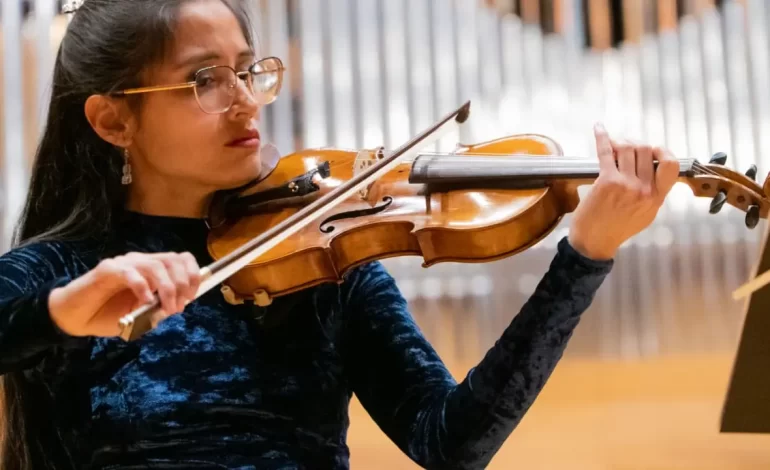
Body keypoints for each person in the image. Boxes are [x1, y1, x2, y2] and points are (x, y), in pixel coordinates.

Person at [0, 0, 680, 468]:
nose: (244, 98)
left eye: (247, 69)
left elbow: (450, 443)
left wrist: (585, 256)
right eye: (204, 79)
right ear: (113, 121)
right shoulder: (60, 273)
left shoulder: (325, 259)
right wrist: (63, 313)